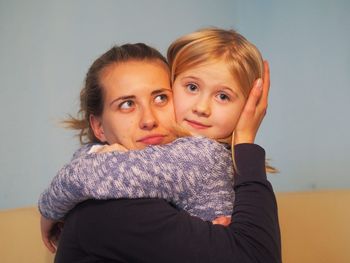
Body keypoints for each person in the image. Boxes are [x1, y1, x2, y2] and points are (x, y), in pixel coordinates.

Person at [43, 29, 281, 262]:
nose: (149, 120)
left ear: (245, 108)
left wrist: (49, 209)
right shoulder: (103, 209)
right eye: (126, 104)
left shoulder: (198, 154)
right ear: (98, 127)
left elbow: (90, 175)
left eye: (160, 98)